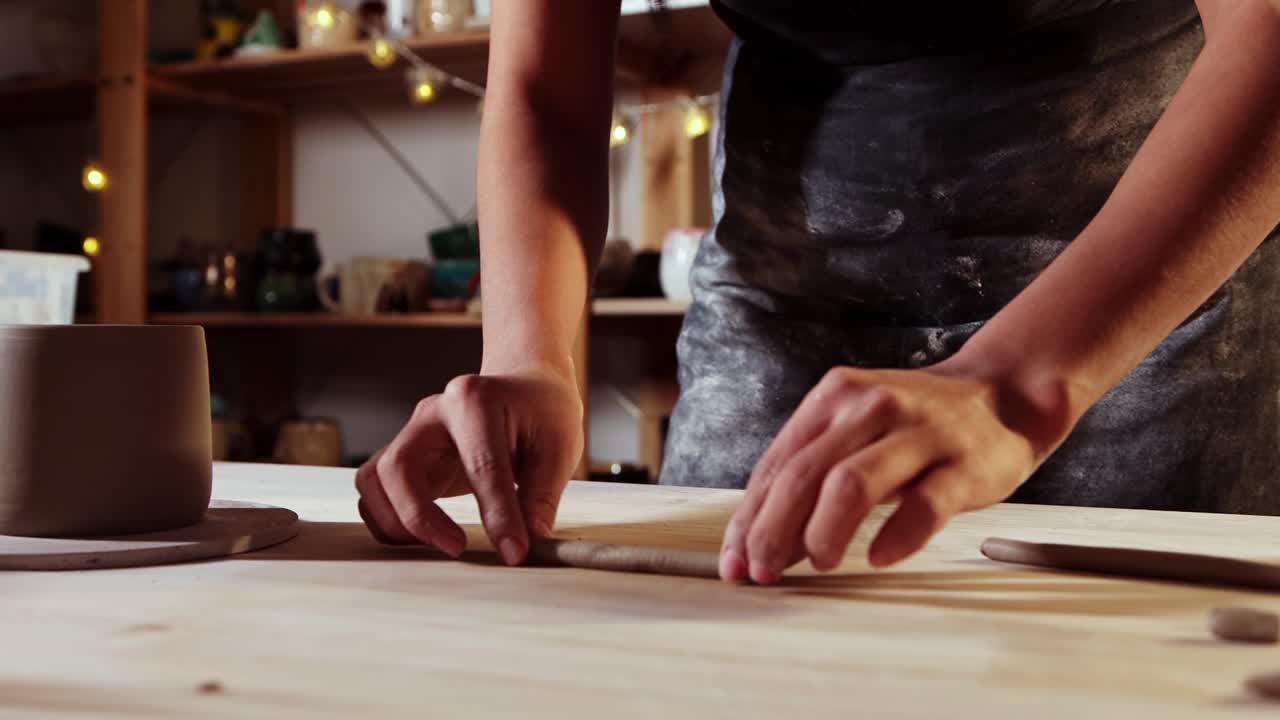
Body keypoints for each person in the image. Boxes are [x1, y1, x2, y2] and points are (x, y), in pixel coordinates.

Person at [355, 0, 1280, 584]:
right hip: (784, 299)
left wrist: (1021, 379)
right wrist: (528, 355)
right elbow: (544, 89)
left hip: (1137, 292)